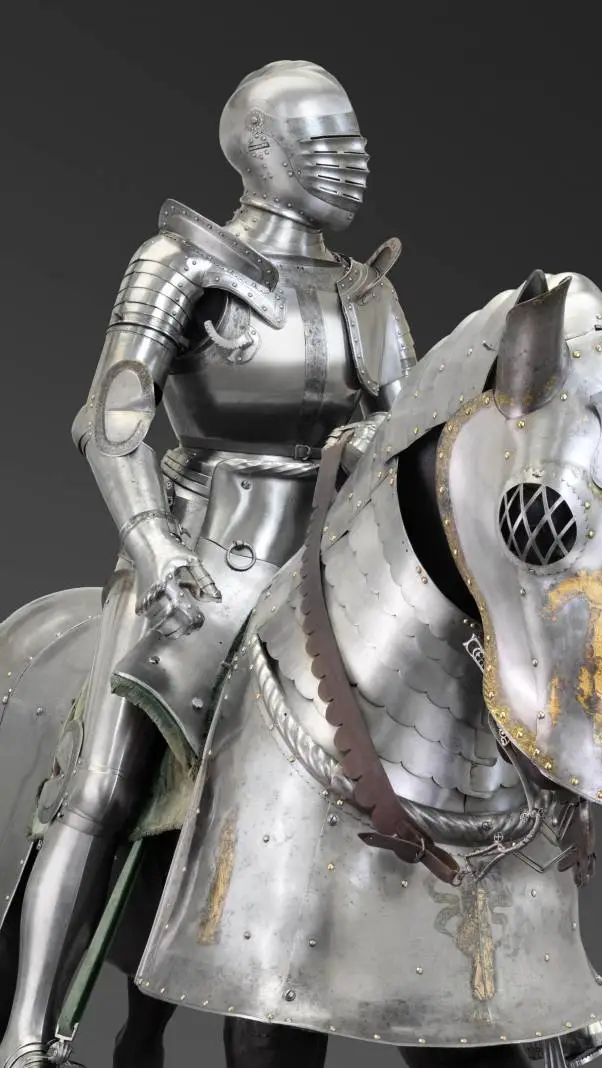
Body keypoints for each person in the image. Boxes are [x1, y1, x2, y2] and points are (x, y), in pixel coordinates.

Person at [0, 59, 416, 1068]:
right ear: (259, 151)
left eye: (355, 141)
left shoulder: (368, 294)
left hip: (325, 575)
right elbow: (113, 418)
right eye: (326, 143)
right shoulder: (183, 264)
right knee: (104, 786)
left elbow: (407, 437)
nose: (351, 162)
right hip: (200, 553)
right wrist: (152, 548)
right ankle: (31, 1031)